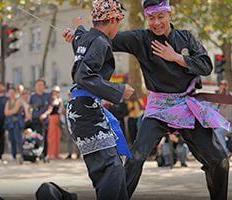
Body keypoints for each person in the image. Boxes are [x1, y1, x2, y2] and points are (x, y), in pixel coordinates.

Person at [64, 1, 232, 199]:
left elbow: (206, 66)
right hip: (158, 108)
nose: (156, 22)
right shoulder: (141, 39)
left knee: (220, 161)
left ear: (170, 14)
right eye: (151, 18)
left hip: (187, 106)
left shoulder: (186, 37)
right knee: (135, 158)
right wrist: (79, 37)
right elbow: (103, 36)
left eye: (161, 16)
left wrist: (177, 57)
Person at [65, 0, 133, 199]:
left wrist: (78, 27)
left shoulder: (86, 38)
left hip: (83, 109)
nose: (118, 28)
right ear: (112, 19)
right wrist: (118, 90)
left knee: (113, 168)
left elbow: (79, 39)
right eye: (118, 22)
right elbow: (83, 76)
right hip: (85, 111)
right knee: (109, 169)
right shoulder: (101, 41)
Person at [29, 79, 53, 162]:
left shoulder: (48, 96)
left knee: (45, 138)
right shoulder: (32, 96)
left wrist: (45, 114)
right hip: (35, 120)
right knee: (35, 137)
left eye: (41, 85)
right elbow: (30, 107)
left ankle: (45, 155)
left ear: (44, 86)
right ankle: (35, 155)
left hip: (44, 120)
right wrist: (29, 115)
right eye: (37, 85)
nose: (39, 86)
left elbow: (50, 108)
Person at [216, 80, 232, 156]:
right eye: (221, 85)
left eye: (225, 85)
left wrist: (226, 118)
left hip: (231, 126)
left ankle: (226, 152)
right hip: (219, 126)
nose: (223, 87)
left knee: (218, 132)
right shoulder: (217, 101)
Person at [4, 87, 25, 163]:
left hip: (17, 122)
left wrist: (10, 112)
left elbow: (16, 110)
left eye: (13, 92)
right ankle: (14, 155)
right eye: (10, 93)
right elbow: (5, 113)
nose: (11, 94)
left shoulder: (19, 100)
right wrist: (11, 112)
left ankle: (21, 155)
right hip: (10, 123)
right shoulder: (8, 102)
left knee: (18, 139)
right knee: (11, 139)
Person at [47, 86, 63, 160]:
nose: (56, 93)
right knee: (52, 137)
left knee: (57, 136)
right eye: (55, 91)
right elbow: (50, 109)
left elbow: (61, 109)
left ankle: (56, 154)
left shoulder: (59, 100)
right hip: (52, 118)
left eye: (57, 92)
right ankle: (51, 154)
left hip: (58, 118)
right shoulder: (50, 100)